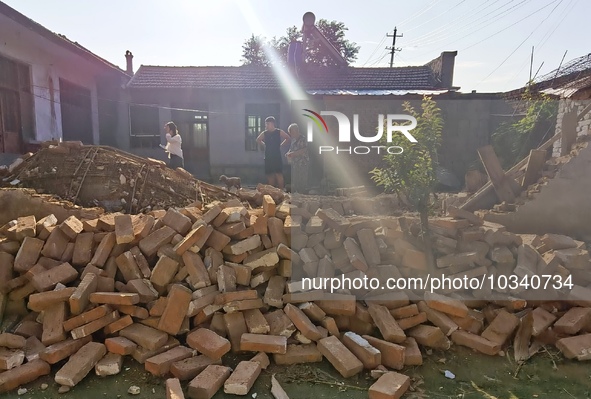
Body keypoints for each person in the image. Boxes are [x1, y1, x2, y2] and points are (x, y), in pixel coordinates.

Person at [256, 116, 290, 189]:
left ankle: (281, 192)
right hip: (268, 156)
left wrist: (281, 145)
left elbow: (287, 138)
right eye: (266, 124)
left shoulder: (278, 131)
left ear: (272, 123)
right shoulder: (265, 133)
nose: (266, 126)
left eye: (267, 124)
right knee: (270, 175)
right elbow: (258, 139)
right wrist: (264, 145)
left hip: (276, 156)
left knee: (278, 174)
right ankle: (272, 192)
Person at [285, 123, 309, 194]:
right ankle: (297, 192)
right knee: (295, 179)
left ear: (296, 130)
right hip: (295, 163)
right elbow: (291, 149)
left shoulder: (303, 139)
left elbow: (303, 150)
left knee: (302, 179)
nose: (291, 134)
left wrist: (293, 154)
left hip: (302, 162)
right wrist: (288, 153)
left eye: (291, 132)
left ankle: (302, 193)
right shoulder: (293, 140)